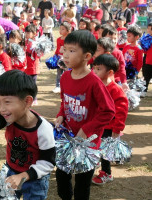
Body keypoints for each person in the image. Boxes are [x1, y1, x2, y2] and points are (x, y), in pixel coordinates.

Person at [0, 70, 56, 200]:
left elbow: (48, 162)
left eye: (7, 102)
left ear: (28, 101)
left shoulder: (43, 129)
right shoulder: (8, 118)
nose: (1, 108)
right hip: (11, 171)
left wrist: (24, 176)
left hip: (34, 179)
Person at [55, 30, 115, 200]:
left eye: (72, 51)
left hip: (87, 145)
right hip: (67, 140)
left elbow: (109, 111)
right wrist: (61, 115)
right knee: (62, 178)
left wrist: (87, 129)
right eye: (64, 49)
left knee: (82, 185)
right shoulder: (65, 77)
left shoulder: (94, 82)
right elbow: (64, 102)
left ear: (87, 56)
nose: (65, 55)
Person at [92, 54, 128, 185]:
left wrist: (117, 128)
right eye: (94, 68)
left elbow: (121, 110)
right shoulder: (95, 85)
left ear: (110, 72)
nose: (94, 72)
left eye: (98, 69)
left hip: (108, 127)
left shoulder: (115, 90)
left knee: (105, 151)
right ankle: (94, 164)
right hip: (95, 125)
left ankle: (106, 173)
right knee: (94, 146)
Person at [53, 22, 71, 94]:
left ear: (68, 31)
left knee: (67, 72)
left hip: (67, 58)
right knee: (59, 72)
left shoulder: (69, 40)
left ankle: (67, 86)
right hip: (59, 58)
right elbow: (57, 48)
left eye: (63, 29)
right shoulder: (58, 39)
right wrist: (55, 55)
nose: (60, 31)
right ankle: (58, 86)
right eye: (60, 29)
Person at [25, 24, 40, 105]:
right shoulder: (26, 42)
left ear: (34, 33)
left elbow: (39, 55)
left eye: (28, 33)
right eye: (26, 32)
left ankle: (34, 99)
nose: (26, 34)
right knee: (27, 85)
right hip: (27, 68)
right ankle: (28, 99)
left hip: (33, 68)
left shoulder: (36, 44)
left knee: (33, 85)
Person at [142, 22, 152, 97]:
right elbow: (144, 50)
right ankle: (144, 90)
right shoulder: (147, 38)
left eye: (150, 29)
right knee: (146, 76)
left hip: (149, 59)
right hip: (148, 60)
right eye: (148, 28)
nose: (149, 30)